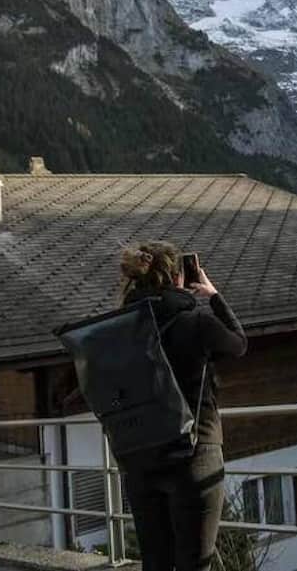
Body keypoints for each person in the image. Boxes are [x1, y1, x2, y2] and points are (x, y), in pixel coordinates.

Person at [118, 242, 248, 571]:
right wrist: (213, 295)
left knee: (156, 562)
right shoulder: (196, 323)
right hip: (195, 453)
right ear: (179, 278)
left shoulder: (122, 328)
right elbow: (239, 343)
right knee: (194, 563)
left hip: (141, 457)